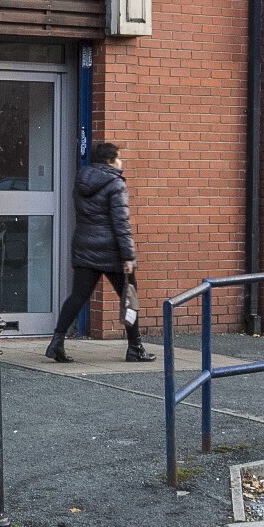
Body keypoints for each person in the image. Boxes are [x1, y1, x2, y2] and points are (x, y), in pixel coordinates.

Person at [44, 140, 153, 363]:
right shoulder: (116, 183)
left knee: (78, 296)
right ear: (110, 161)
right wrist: (128, 256)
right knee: (129, 297)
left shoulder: (82, 179)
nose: (121, 162)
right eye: (118, 158)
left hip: (85, 245)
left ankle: (56, 342)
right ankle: (135, 348)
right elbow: (121, 223)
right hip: (111, 251)